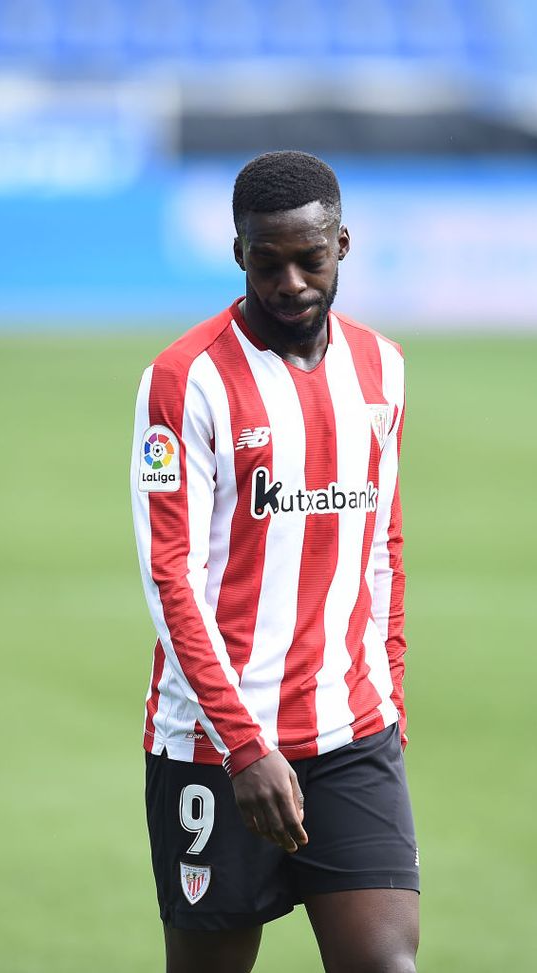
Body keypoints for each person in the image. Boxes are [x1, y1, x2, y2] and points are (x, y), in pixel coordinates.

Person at [130, 150, 419, 973]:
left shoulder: (383, 369)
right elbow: (170, 575)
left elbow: (382, 549)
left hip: (351, 728)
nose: (291, 280)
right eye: (268, 261)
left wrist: (389, 699)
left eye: (310, 258)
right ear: (238, 254)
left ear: (344, 245)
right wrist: (242, 744)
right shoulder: (184, 381)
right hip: (216, 745)